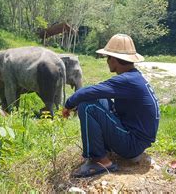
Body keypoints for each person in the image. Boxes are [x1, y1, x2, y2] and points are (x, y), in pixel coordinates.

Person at [62, 34, 160, 178]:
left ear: (113, 59)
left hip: (132, 145)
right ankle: (103, 151)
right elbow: (97, 91)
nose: (107, 61)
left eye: (107, 58)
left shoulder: (127, 80)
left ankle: (99, 161)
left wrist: (68, 104)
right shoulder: (134, 77)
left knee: (87, 106)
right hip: (136, 140)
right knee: (99, 98)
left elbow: (88, 91)